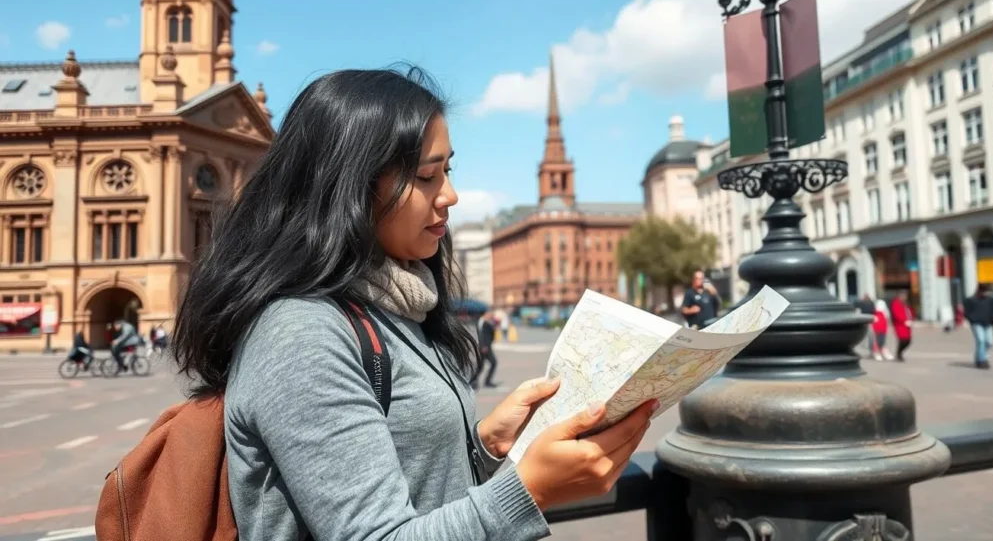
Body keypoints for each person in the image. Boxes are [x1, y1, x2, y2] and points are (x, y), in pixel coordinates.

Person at [170, 67, 658, 541]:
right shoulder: (301, 334)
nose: (450, 195)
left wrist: (485, 443)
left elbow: (415, 478)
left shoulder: (401, 304)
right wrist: (530, 489)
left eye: (448, 170)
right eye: (427, 176)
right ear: (353, 186)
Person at [963, 287, 993, 369]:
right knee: (981, 340)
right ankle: (982, 360)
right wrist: (971, 319)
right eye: (984, 291)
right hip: (976, 323)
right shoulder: (971, 300)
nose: (985, 293)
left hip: (987, 323)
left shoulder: (989, 300)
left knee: (989, 342)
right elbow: (966, 311)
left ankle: (980, 357)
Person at [473, 310, 499, 389]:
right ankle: (484, 381)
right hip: (485, 347)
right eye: (490, 314)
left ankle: (475, 382)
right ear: (486, 314)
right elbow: (481, 335)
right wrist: (483, 346)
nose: (491, 316)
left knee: (481, 366)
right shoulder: (482, 322)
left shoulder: (486, 322)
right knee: (493, 363)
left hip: (485, 346)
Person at [889, 291, 913, 362]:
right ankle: (899, 354)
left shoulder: (905, 303)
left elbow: (909, 311)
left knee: (908, 341)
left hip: (907, 325)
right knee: (903, 340)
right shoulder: (896, 303)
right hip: (900, 325)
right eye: (904, 296)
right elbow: (896, 314)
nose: (905, 297)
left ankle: (899, 353)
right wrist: (904, 321)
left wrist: (911, 319)